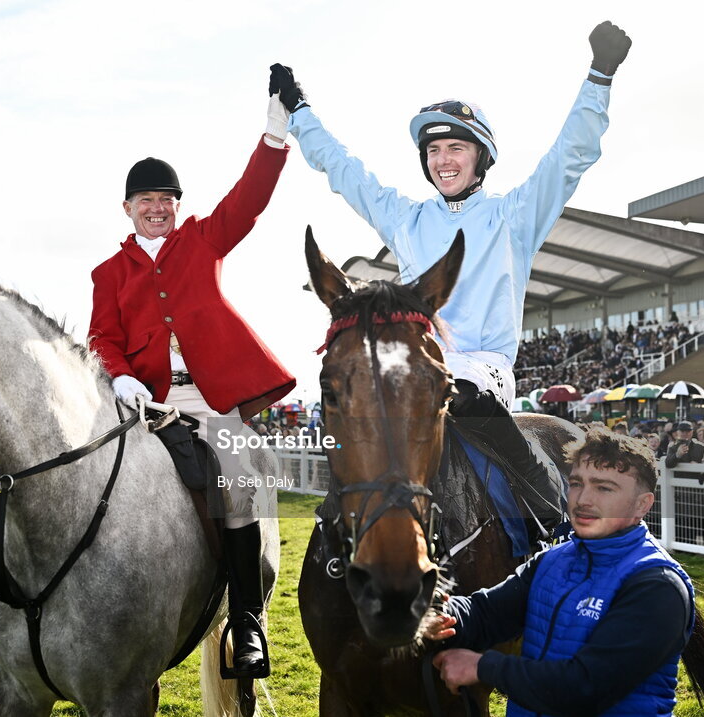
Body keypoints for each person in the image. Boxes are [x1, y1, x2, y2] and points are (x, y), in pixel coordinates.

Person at [270, 21, 632, 542]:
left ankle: (552, 518)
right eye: (434, 151)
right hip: (421, 363)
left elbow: (568, 158)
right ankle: (338, 535)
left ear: (479, 157)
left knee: (458, 395)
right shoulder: (407, 218)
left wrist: (600, 76)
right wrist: (300, 112)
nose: (443, 161)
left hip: (485, 370)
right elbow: (344, 170)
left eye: (456, 149)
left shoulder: (513, 217)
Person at [84, 91, 296, 678]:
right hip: (139, 399)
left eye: (166, 200)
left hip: (207, 400)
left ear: (178, 206)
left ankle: (247, 620)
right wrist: (121, 374)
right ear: (126, 208)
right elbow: (102, 334)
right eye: (146, 200)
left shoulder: (202, 239)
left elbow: (249, 202)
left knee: (234, 474)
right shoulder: (108, 273)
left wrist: (274, 135)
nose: (157, 208)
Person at [425, 427, 694, 716]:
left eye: (604, 488)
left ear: (642, 505)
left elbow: (584, 687)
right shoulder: (552, 560)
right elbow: (485, 613)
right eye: (577, 483)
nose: (582, 499)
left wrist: (481, 666)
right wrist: (429, 611)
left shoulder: (657, 585)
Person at [665, 420, 704, 544]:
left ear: (692, 432)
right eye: (682, 431)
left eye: (688, 431)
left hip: (697, 491)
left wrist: (699, 466)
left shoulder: (700, 447)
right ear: (677, 432)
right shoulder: (672, 447)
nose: (685, 434)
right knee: (681, 523)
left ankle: (698, 548)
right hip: (679, 492)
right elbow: (668, 463)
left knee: (697, 522)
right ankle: (681, 547)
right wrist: (677, 455)